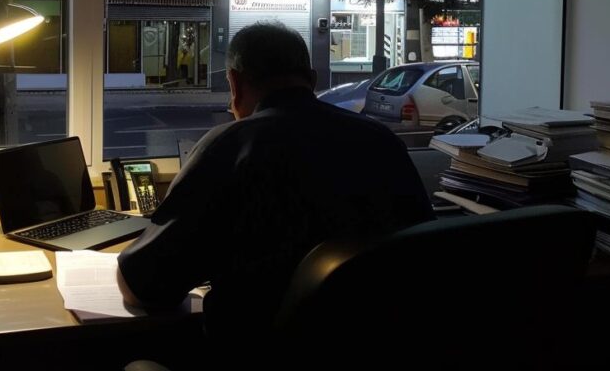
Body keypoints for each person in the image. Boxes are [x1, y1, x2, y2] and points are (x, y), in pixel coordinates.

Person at [117, 21, 433, 345]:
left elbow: (143, 286)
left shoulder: (233, 146)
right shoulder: (380, 142)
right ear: (312, 80)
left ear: (235, 83)